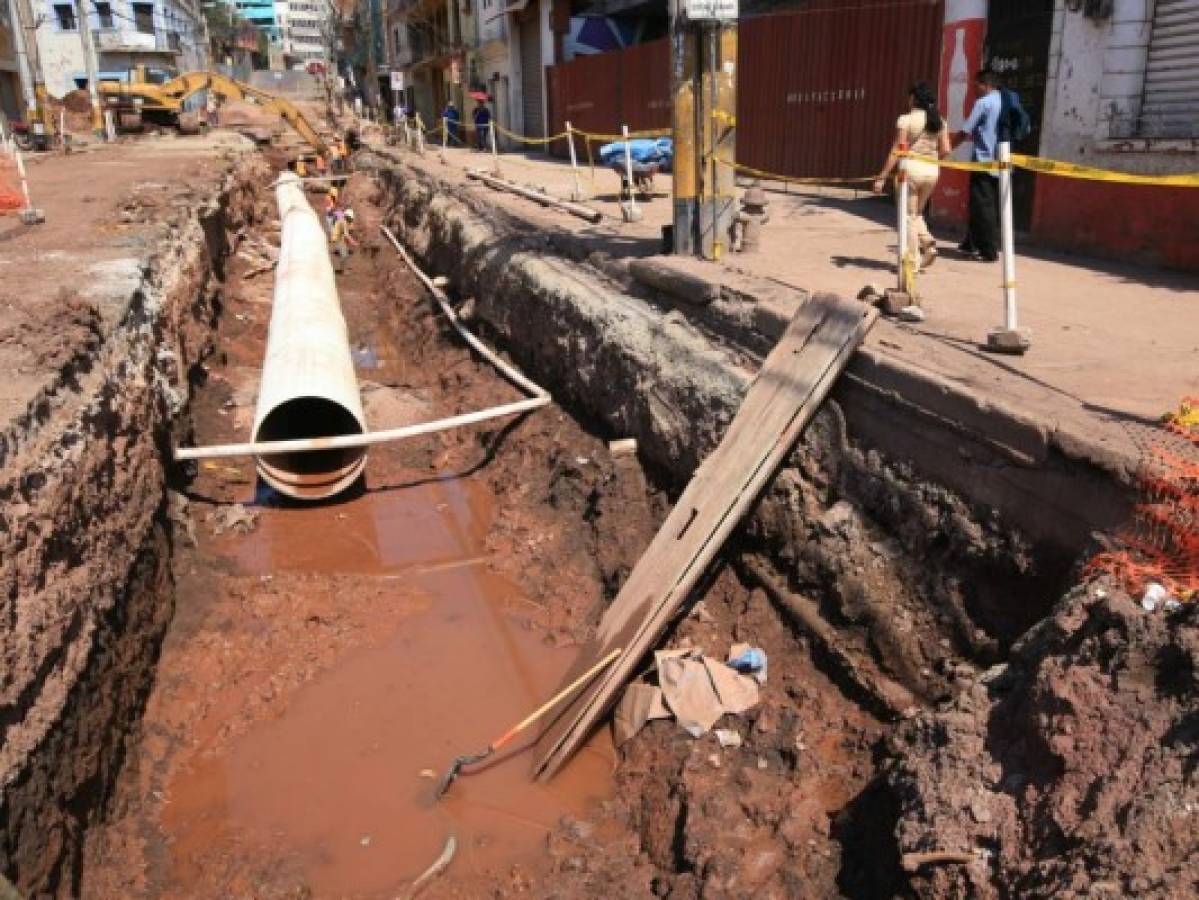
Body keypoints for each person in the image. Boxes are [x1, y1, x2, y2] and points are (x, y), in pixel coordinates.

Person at [873, 82, 951, 273]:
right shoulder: (939, 121)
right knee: (916, 214)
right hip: (932, 172)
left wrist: (881, 176)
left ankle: (912, 262)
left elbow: (897, 150)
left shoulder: (905, 120)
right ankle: (928, 244)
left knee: (908, 217)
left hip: (910, 172)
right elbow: (946, 150)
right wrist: (931, 160)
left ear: (913, 99)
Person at [953, 70, 1003, 262]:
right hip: (1001, 162)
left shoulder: (983, 103)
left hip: (983, 162)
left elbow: (966, 130)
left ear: (985, 84)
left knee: (983, 207)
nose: (974, 89)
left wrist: (947, 149)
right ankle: (970, 243)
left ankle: (988, 251)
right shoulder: (1003, 101)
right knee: (980, 203)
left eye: (976, 85)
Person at [330, 206, 357, 273]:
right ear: (348, 217)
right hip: (336, 239)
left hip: (337, 239)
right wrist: (353, 242)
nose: (351, 220)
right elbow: (346, 235)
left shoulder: (342, 220)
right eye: (350, 219)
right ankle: (343, 270)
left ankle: (343, 269)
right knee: (344, 255)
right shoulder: (343, 222)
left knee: (345, 253)